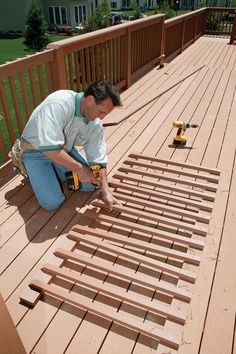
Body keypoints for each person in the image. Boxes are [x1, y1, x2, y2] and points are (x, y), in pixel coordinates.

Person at [19, 80, 122, 211]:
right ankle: (34, 170)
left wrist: (105, 190)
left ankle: (56, 171)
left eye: (105, 114)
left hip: (63, 151)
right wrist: (79, 169)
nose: (101, 118)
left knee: (91, 185)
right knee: (52, 202)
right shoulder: (59, 103)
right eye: (101, 112)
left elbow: (98, 160)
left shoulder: (95, 123)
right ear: (90, 100)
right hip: (35, 152)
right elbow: (50, 149)